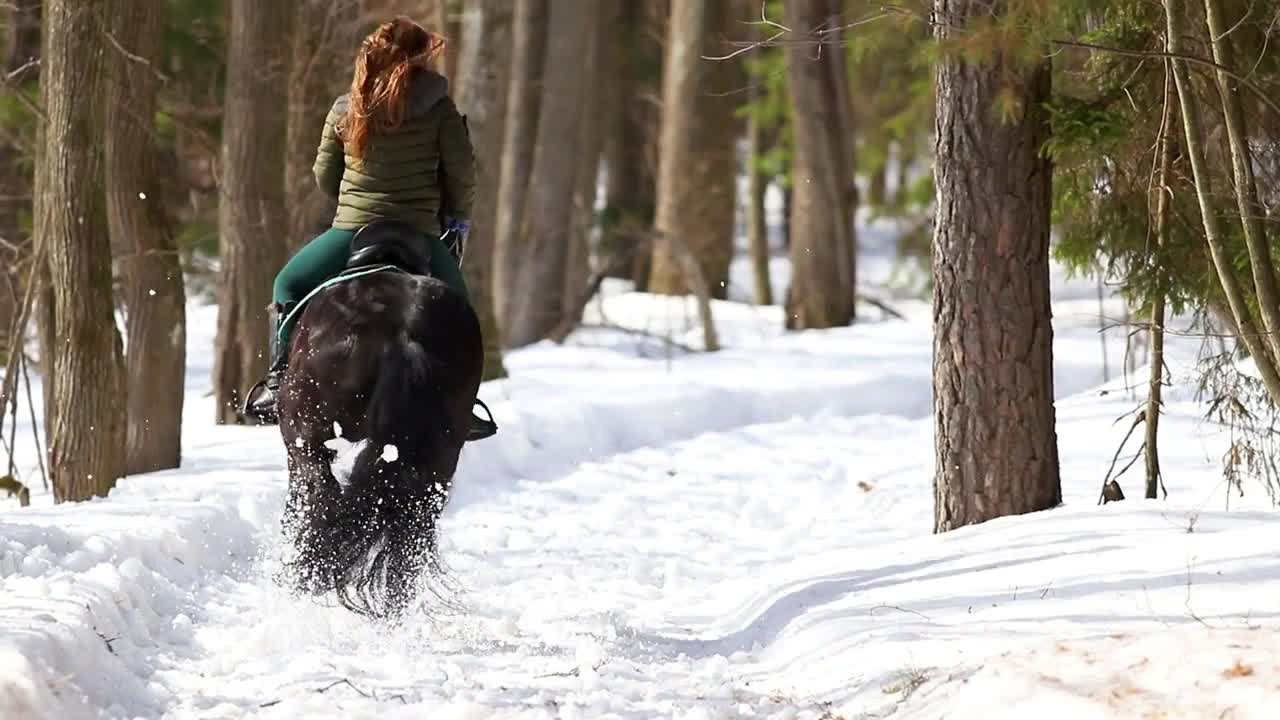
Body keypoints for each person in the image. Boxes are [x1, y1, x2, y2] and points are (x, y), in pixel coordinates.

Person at [242, 16, 494, 440]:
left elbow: (325, 175)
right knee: (458, 311)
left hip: (352, 230)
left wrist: (356, 197)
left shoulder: (347, 107)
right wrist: (456, 217)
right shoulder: (442, 109)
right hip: (420, 232)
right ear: (419, 60)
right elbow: (462, 176)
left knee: (287, 284)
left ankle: (275, 384)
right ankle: (462, 405)